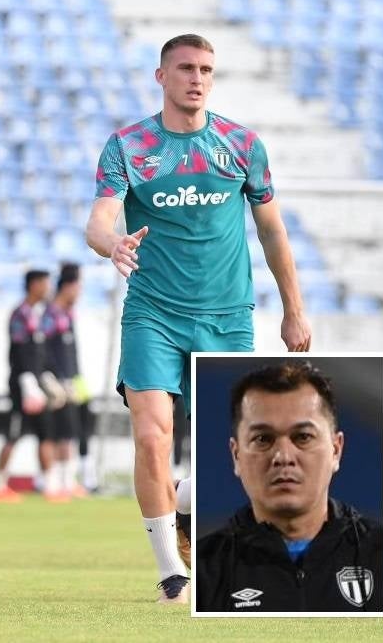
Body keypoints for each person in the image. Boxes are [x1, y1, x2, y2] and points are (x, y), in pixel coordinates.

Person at [85, 34, 312, 604]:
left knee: (233, 452)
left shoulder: (240, 144)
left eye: (206, 69)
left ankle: (184, 502)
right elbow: (98, 221)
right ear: (161, 76)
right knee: (150, 436)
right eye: (185, 68)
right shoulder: (128, 147)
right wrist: (111, 243)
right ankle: (172, 572)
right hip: (153, 314)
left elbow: (272, 230)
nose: (197, 78)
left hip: (228, 317)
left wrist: (294, 309)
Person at [197, 361, 383, 612]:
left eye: (303, 437)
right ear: (236, 456)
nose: (283, 456)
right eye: (263, 439)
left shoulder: (381, 555)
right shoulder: (204, 570)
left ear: (336, 451)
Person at [0, 270, 67, 503]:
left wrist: (52, 379)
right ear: (33, 285)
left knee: (46, 434)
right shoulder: (20, 315)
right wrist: (27, 382)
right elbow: (20, 352)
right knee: (13, 433)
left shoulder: (39, 315)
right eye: (44, 284)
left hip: (39, 385)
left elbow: (42, 353)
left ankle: (50, 484)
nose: (48, 289)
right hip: (22, 385)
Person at [40, 262, 95, 498]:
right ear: (68, 287)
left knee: (80, 426)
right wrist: (57, 379)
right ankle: (58, 481)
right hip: (60, 381)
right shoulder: (51, 315)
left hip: (75, 379)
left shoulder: (67, 314)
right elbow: (46, 351)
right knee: (61, 429)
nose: (79, 294)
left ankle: (74, 478)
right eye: (77, 288)